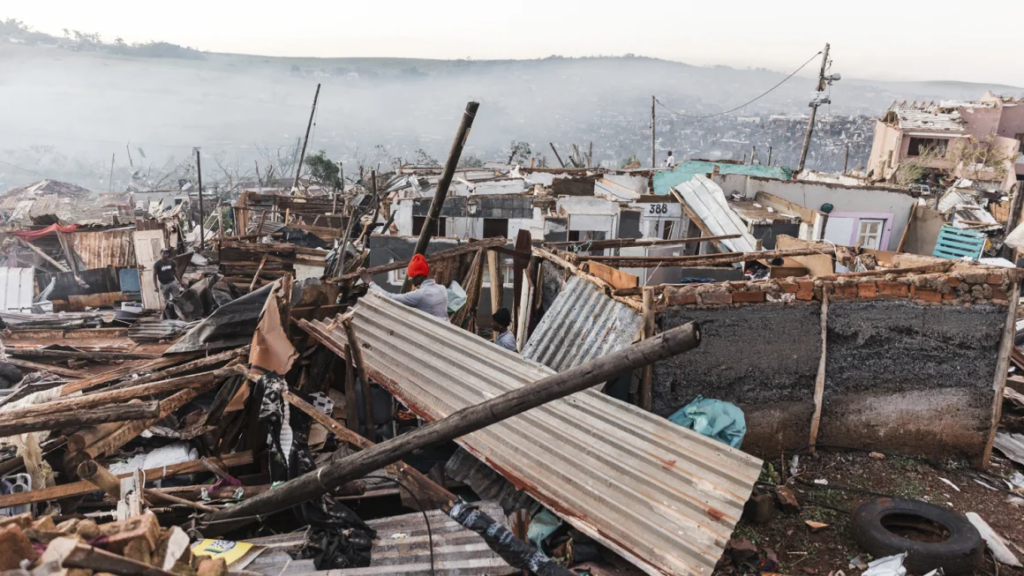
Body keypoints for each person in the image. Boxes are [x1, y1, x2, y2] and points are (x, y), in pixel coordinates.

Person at [359, 254, 448, 319]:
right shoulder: (442, 289)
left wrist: (369, 282)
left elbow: (389, 297)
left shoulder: (420, 295)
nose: (410, 279)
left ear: (419, 276)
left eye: (411, 277)